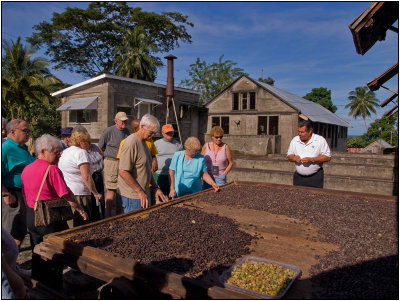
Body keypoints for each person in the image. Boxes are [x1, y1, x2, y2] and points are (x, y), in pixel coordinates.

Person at [21, 134, 88, 290]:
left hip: (32, 215)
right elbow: (66, 194)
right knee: (54, 255)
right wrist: (79, 209)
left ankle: (38, 286)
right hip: (49, 218)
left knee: (37, 252)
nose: (60, 155)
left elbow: (25, 194)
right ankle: (54, 290)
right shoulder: (51, 170)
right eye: (56, 152)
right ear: (44, 151)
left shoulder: (27, 169)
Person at [118, 114, 168, 213]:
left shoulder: (145, 142)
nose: (153, 135)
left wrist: (155, 187)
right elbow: (123, 172)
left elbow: (146, 169)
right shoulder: (131, 143)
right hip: (132, 196)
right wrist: (140, 192)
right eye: (151, 132)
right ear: (142, 127)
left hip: (142, 194)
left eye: (155, 133)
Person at [1, 119, 36, 249]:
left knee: (20, 232)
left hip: (23, 194)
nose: (28, 133)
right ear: (12, 132)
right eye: (25, 130)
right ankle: (5, 267)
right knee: (9, 233)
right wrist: (5, 194)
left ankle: (12, 265)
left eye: (29, 131)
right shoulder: (5, 148)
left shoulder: (23, 148)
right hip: (11, 193)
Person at [58, 131, 102, 227]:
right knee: (82, 225)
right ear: (82, 142)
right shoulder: (81, 153)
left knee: (70, 225)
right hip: (80, 194)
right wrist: (95, 193)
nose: (89, 145)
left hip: (67, 193)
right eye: (88, 142)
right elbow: (86, 176)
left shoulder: (65, 152)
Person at [98, 112, 130, 218]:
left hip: (123, 162)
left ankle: (118, 216)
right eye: (122, 121)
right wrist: (107, 158)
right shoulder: (108, 131)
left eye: (125, 121)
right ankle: (107, 217)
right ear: (116, 121)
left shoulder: (127, 131)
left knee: (121, 189)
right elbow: (100, 147)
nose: (124, 123)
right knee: (111, 190)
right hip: (111, 161)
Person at [72, 126, 105, 220]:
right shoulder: (79, 152)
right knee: (92, 202)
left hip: (98, 175)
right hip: (89, 177)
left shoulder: (95, 147)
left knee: (101, 201)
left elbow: (102, 158)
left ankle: (101, 219)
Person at [287, 120, 331, 188]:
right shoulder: (295, 140)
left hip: (315, 177)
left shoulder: (320, 140)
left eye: (302, 132)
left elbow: (327, 157)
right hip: (298, 177)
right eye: (299, 131)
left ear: (309, 131)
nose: (300, 134)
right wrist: (294, 158)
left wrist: (312, 159)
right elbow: (289, 155)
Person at [154, 124, 183, 197]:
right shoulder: (156, 144)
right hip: (159, 175)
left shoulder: (178, 144)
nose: (170, 134)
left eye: (171, 132)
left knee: (172, 196)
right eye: (167, 133)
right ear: (163, 133)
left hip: (173, 175)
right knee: (160, 197)